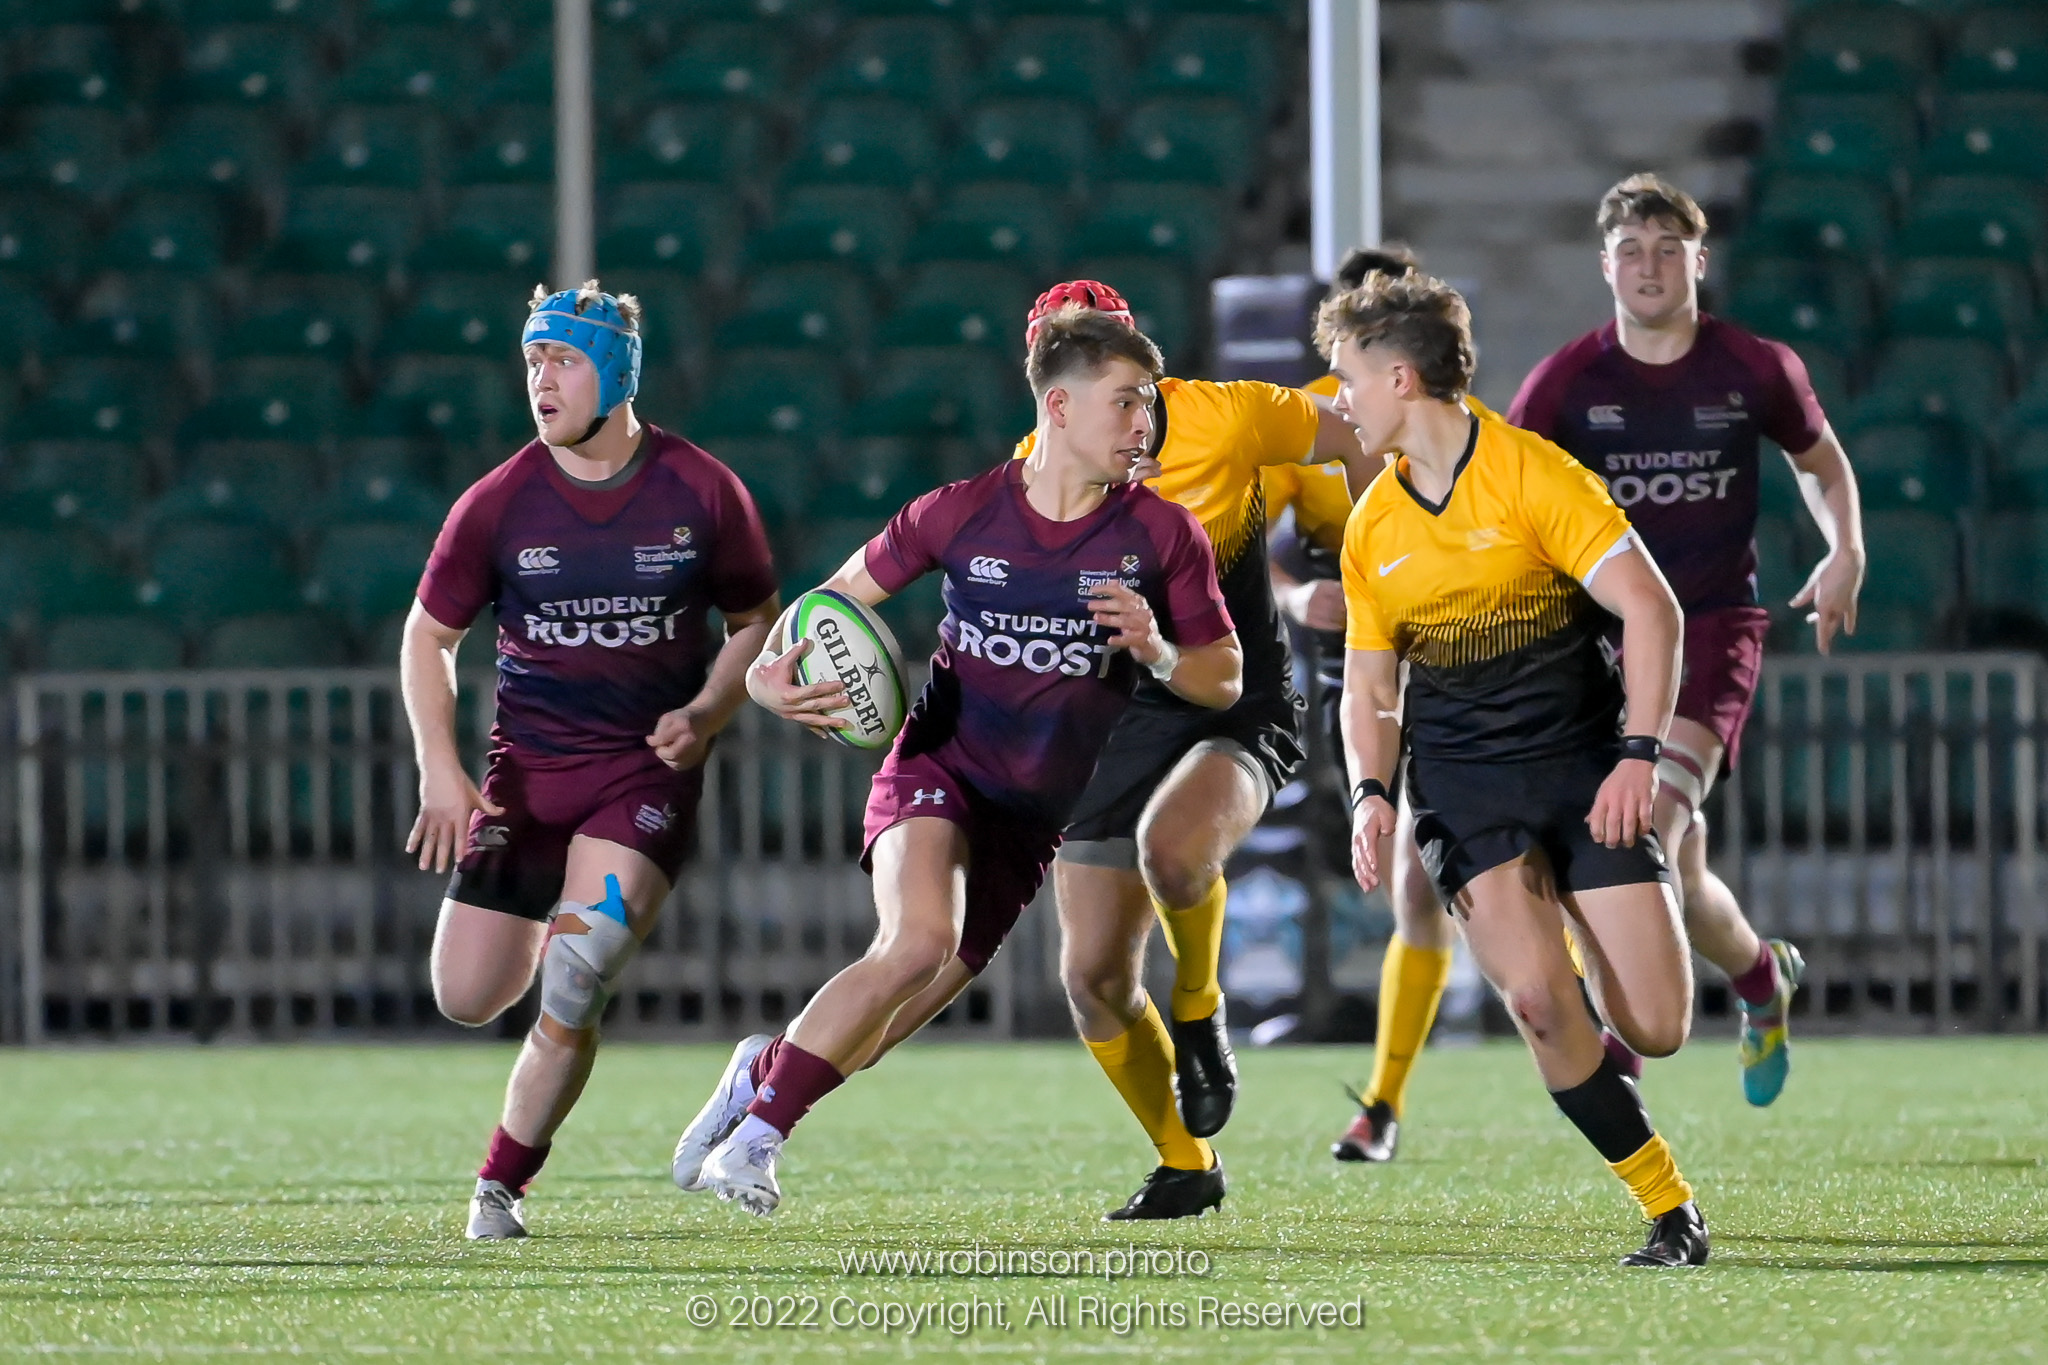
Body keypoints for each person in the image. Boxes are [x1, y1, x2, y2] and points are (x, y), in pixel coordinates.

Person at [670, 306, 1244, 1217]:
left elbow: (1224, 677)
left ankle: (761, 1068)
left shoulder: (1164, 535)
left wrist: (1159, 650)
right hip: (937, 768)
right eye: (1128, 401)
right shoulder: (961, 510)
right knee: (917, 942)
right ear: (1060, 406)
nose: (1147, 422)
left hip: (1032, 817)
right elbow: (832, 598)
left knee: (879, 1030)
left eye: (1150, 404)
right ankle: (758, 1140)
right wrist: (768, 680)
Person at [1328, 269, 1710, 1267]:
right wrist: (1369, 792)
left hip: (1585, 770)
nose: (1339, 400)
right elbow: (1368, 687)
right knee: (1538, 1001)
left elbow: (1652, 610)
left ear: (1401, 379)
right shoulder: (1371, 523)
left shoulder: (1535, 474)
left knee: (1657, 1026)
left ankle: (1577, 943)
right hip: (1463, 790)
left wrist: (1640, 756)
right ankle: (1668, 1206)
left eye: (1348, 378)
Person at [402, 282, 783, 1240]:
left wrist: (707, 709)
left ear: (616, 372)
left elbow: (755, 622)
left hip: (641, 776)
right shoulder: (498, 501)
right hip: (526, 783)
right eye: (533, 360)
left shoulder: (702, 489)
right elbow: (428, 636)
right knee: (466, 995)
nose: (541, 379)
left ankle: (500, 1186)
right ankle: (565, 941)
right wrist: (439, 768)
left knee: (576, 978)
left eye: (563, 360)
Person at [1506, 173, 1864, 1104]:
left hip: (1712, 632)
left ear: (1699, 261)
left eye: (1669, 249)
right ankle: (1762, 978)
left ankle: (1612, 1045)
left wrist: (1847, 548)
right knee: (1681, 873)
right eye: (1632, 250)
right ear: (1605, 267)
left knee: (1642, 822)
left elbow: (1820, 463)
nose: (1650, 266)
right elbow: (1505, 496)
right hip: (1601, 647)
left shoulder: (1753, 366)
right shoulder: (1565, 383)